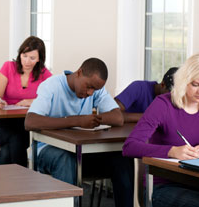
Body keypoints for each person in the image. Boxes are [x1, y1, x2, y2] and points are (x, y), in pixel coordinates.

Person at [25, 58, 134, 207]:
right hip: (46, 150)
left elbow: (118, 118)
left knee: (121, 159)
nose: (90, 93)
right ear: (79, 72)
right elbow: (30, 121)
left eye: (94, 90)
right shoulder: (51, 86)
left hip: (80, 152)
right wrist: (77, 120)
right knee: (65, 159)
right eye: (88, 86)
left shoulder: (96, 88)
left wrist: (95, 119)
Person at [123, 53, 199, 207]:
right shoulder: (163, 104)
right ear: (184, 81)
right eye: (196, 84)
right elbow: (129, 147)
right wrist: (171, 151)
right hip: (165, 187)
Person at [0, 36, 52, 166]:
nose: (27, 61)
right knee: (16, 139)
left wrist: (32, 101)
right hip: (2, 124)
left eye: (32, 58)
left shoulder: (44, 74)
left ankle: (1, 182)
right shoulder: (8, 67)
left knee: (8, 150)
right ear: (20, 54)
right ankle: (24, 180)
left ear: (39, 59)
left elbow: (52, 99)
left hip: (25, 123)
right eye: (24, 56)